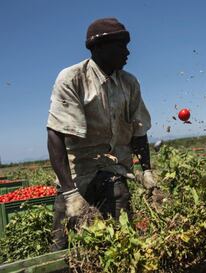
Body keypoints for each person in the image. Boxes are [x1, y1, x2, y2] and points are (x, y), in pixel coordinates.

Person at [47, 18, 158, 251]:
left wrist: (146, 169)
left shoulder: (129, 83)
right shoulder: (73, 78)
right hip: (79, 174)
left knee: (121, 242)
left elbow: (138, 130)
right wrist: (69, 192)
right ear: (98, 48)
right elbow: (56, 134)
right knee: (63, 245)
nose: (127, 52)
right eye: (120, 46)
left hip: (115, 170)